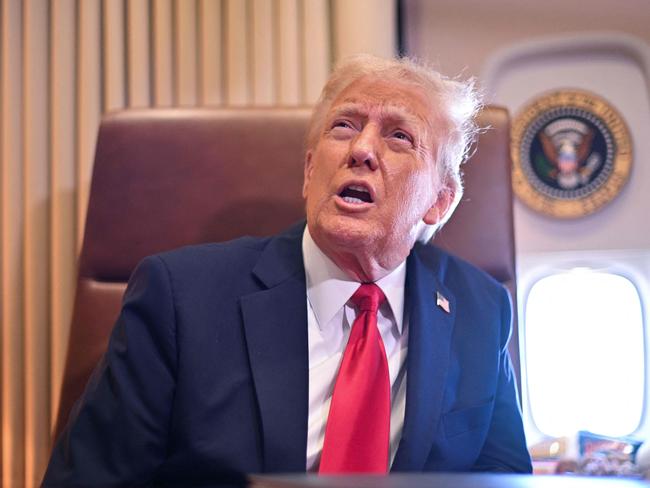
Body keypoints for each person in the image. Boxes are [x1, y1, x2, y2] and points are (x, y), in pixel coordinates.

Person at [43, 54, 532, 486]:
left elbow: (501, 479)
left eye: (399, 136)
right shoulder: (180, 297)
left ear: (438, 203)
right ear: (309, 170)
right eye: (344, 126)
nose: (360, 149)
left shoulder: (478, 307)